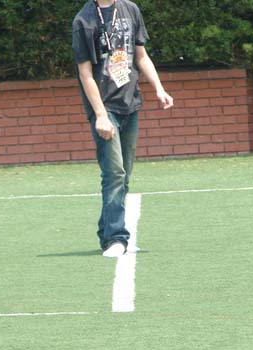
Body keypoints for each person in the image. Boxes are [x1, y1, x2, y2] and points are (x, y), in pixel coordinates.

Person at [72, 0, 173, 258]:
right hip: (105, 108)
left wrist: (159, 89)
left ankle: (107, 231)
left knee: (124, 174)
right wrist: (100, 115)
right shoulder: (84, 21)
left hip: (130, 103)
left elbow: (141, 56)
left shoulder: (131, 9)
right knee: (114, 172)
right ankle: (116, 238)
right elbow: (85, 74)